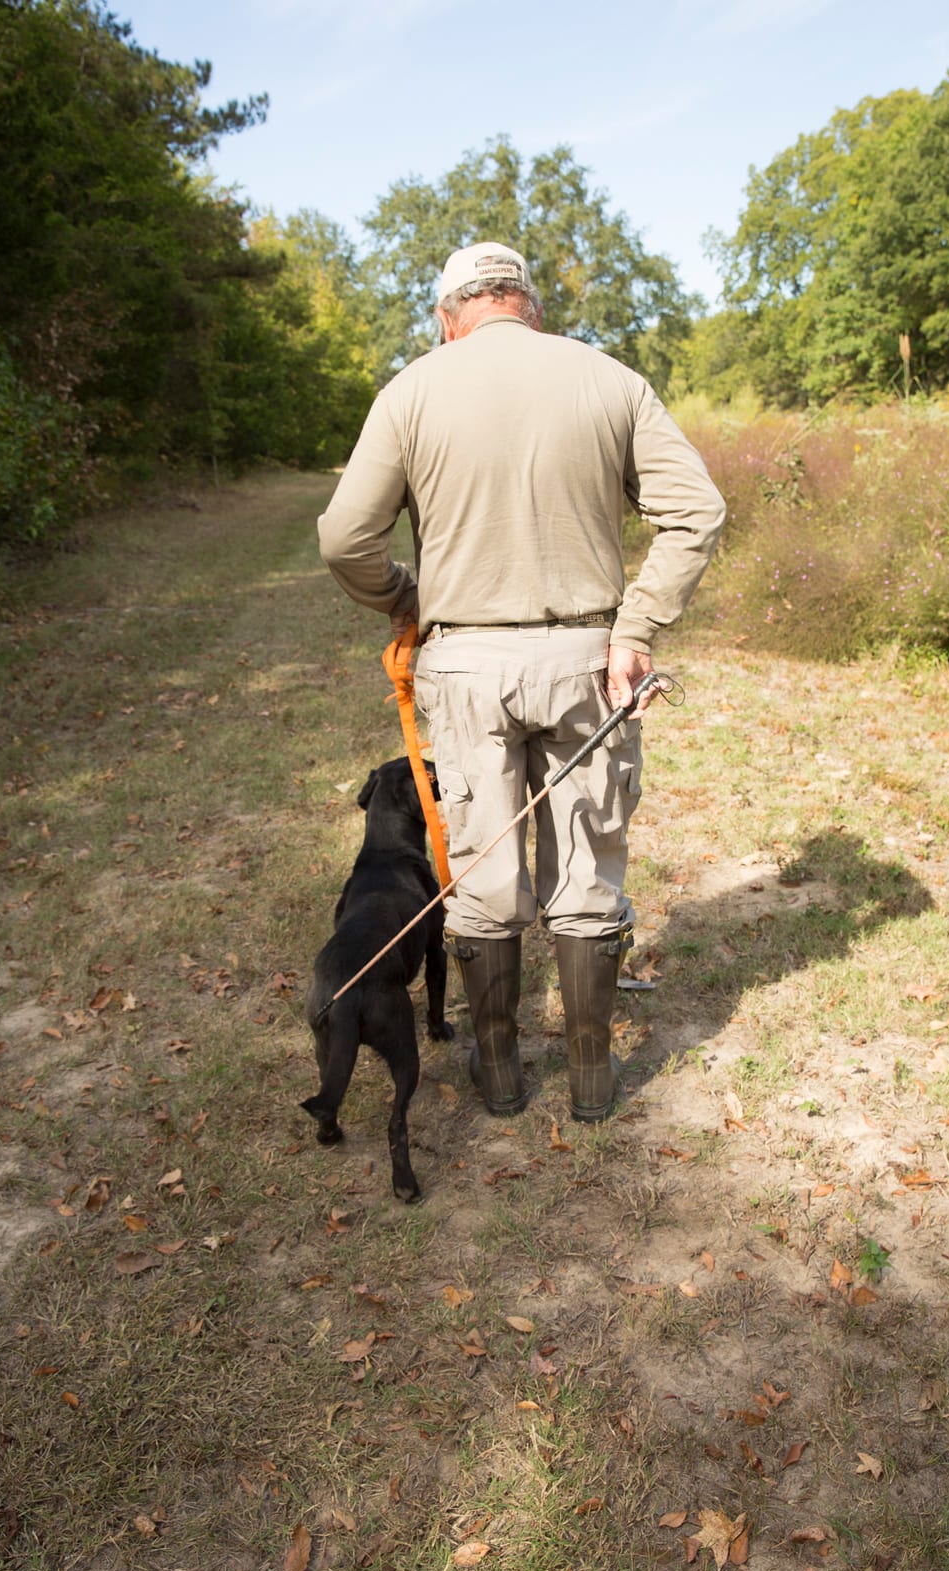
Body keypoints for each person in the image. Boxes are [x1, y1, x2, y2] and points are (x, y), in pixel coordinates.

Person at [318, 241, 725, 1123]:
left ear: (448, 315)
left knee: (483, 869)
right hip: (589, 657)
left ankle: (498, 1077)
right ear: (527, 305)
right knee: (586, 873)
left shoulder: (413, 388)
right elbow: (698, 512)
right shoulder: (609, 379)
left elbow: (344, 538)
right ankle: (590, 1083)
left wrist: (407, 598)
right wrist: (638, 626)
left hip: (464, 664)